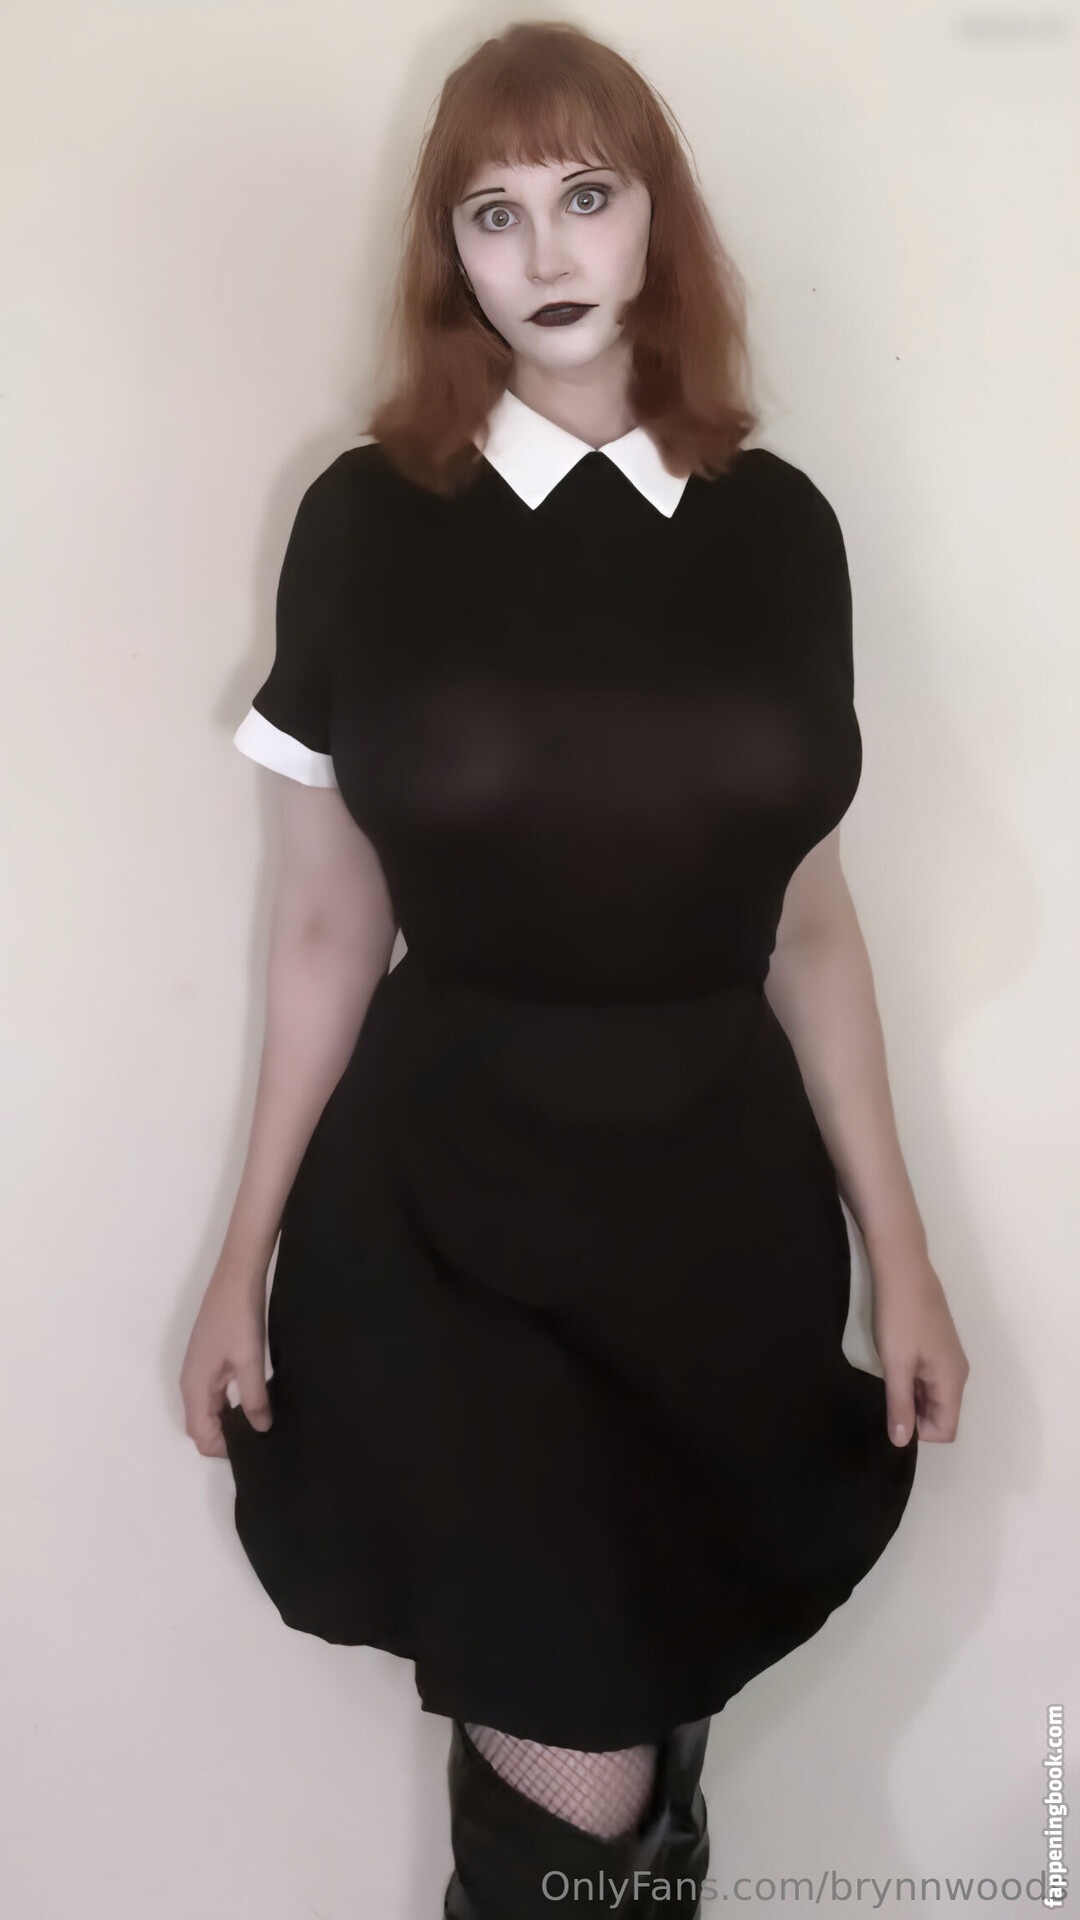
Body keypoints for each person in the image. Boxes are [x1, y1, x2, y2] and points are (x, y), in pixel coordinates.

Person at [180, 21, 969, 1917]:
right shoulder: (368, 521)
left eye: (587, 197)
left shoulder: (780, 530)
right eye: (494, 211)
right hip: (452, 1206)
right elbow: (325, 921)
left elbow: (807, 919)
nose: (545, 253)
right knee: (574, 1720)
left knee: (645, 1720)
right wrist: (242, 1250)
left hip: (717, 1213)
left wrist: (904, 1250)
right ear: (447, 250)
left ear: (654, 222)